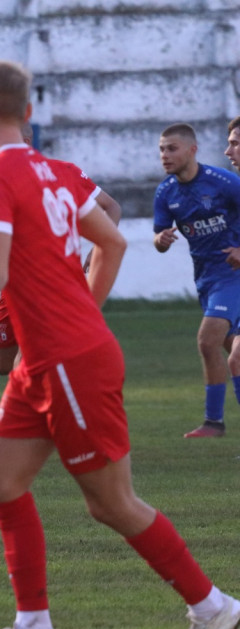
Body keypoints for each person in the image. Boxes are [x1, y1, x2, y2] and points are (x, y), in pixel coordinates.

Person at [0, 60, 239, 629]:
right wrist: (82, 309)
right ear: (29, 113)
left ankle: (212, 605)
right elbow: (111, 241)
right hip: (46, 359)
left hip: (69, 361)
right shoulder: (58, 172)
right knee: (0, 483)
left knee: (112, 504)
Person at [0, 123, 122, 375]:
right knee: (2, 364)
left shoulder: (65, 172)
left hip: (49, 281)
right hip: (13, 282)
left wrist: (98, 247)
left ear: (26, 142)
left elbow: (111, 207)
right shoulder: (0, 181)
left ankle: (36, 406)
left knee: (28, 358)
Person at [153, 123, 240, 438]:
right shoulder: (165, 192)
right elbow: (158, 237)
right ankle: (214, 423)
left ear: (192, 150)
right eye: (162, 149)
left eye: (172, 148)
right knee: (236, 354)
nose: (165, 155)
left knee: (207, 341)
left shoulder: (224, 182)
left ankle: (213, 423)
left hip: (232, 275)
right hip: (206, 279)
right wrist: (160, 241)